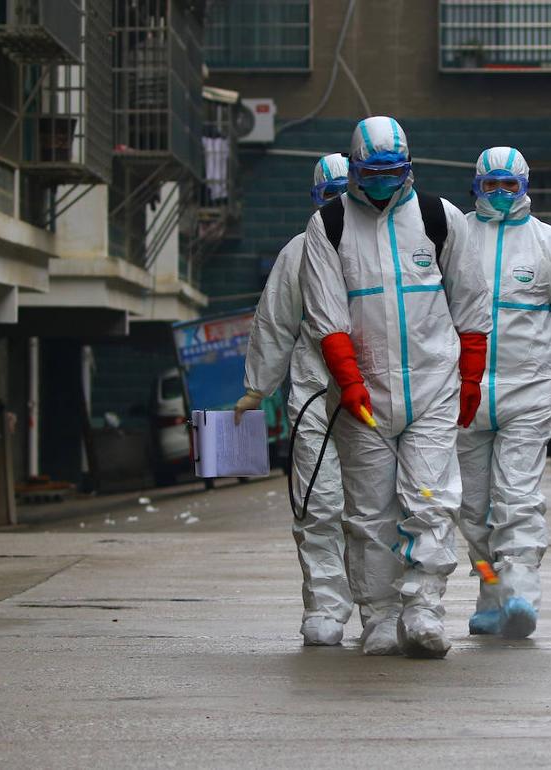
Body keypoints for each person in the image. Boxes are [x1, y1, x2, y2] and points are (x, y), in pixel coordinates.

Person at [300, 117, 491, 658]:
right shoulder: (330, 225)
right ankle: (380, 616)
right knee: (368, 512)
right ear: (355, 168)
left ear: (409, 167)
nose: (384, 181)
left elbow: (471, 303)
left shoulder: (438, 217)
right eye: (373, 172)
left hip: (433, 385)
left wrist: (470, 377)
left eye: (394, 171)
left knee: (431, 500)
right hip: (363, 395)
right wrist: (349, 381)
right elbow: (326, 314)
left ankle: (425, 608)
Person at [455, 147, 551, 639]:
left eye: (509, 185)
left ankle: (520, 593)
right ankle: (490, 592)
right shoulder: (455, 238)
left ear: (525, 186)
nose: (500, 195)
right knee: (470, 510)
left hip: (527, 392)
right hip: (464, 395)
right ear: (476, 186)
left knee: (517, 498)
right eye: (490, 186)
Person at [234, 153, 356, 646]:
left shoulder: (394, 247)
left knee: (381, 510)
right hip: (317, 398)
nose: (338, 209)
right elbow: (275, 324)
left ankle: (384, 606)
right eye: (329, 198)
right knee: (320, 503)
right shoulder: (298, 254)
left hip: (384, 401)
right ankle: (326, 605)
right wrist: (255, 389)